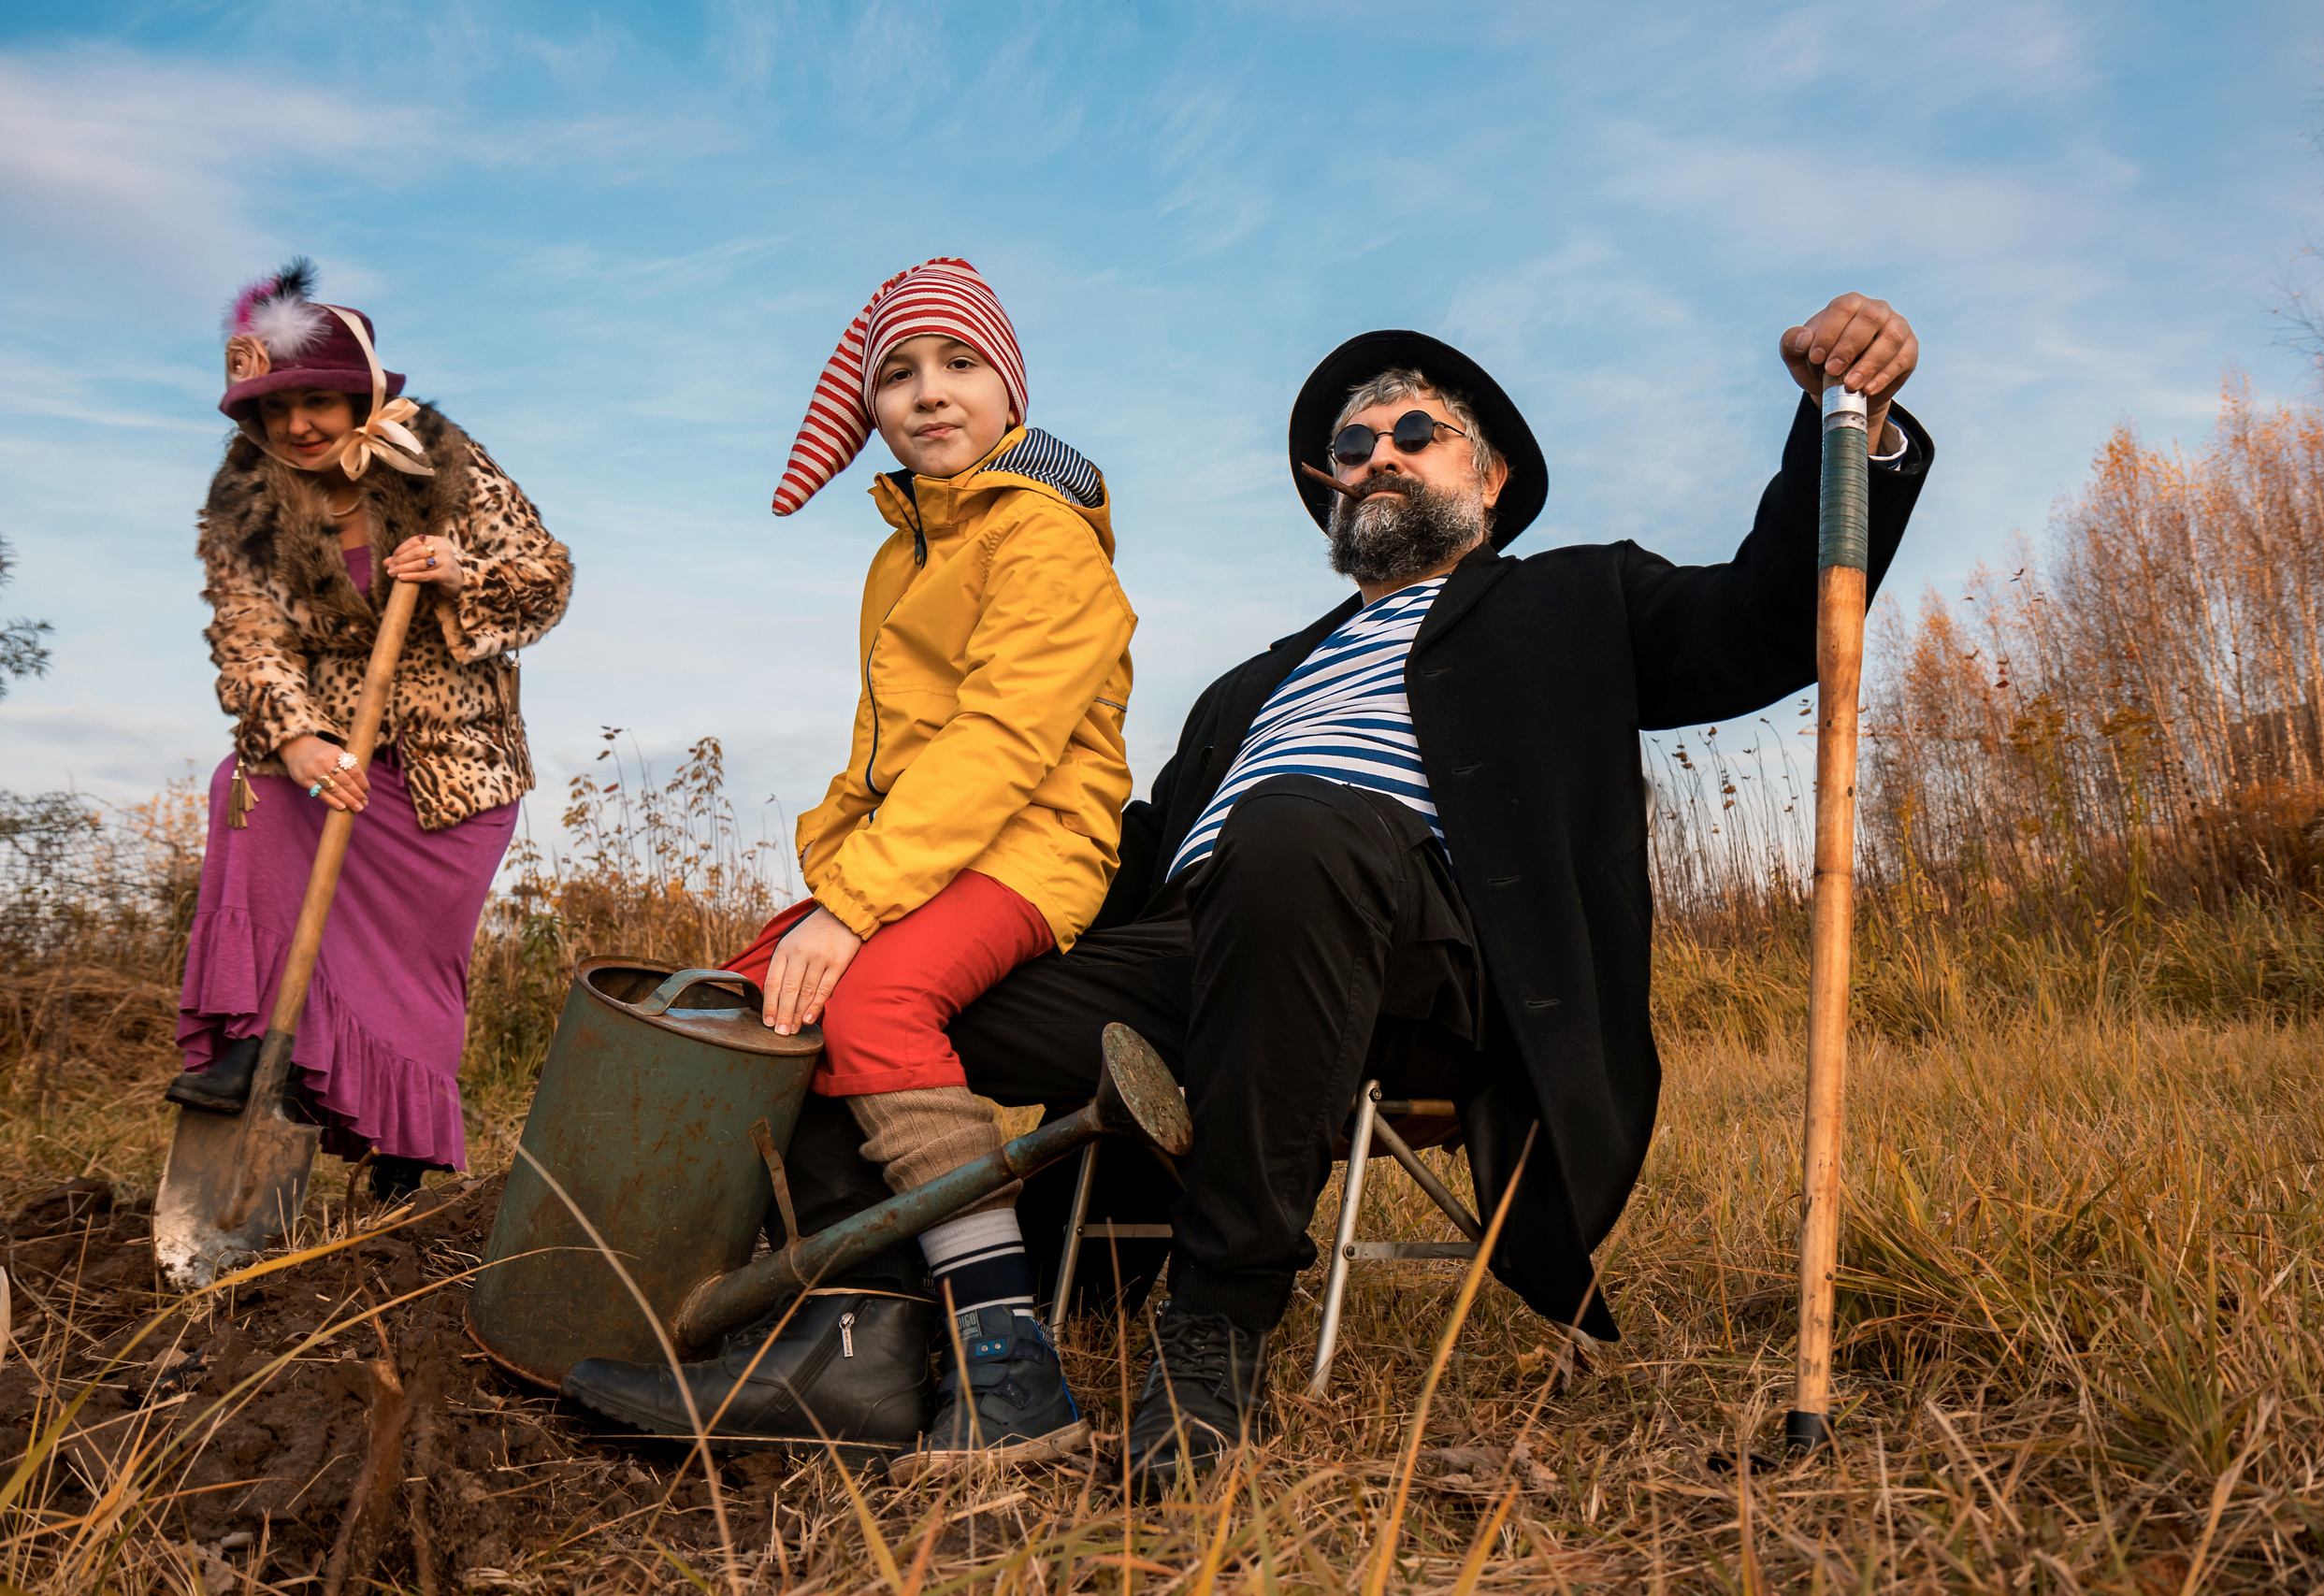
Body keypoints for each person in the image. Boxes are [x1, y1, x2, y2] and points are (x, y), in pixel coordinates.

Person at [938, 295, 1933, 1493]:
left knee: (1291, 835)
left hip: (1425, 949)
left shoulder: (1570, 600)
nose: (1381, 457)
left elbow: (1767, 627)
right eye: (1353, 449)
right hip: (1200, 942)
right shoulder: (1251, 683)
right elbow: (1126, 849)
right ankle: (867, 1311)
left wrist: (1850, 429)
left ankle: (1213, 1328)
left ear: (1491, 475)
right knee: (926, 992)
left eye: (1416, 432)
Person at [561, 259, 1136, 1482]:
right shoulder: (904, 553)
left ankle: (1009, 1366)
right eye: (898, 375)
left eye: (960, 364)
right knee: (739, 994)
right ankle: (822, 1329)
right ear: (866, 408)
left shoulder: (1041, 533)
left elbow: (1002, 743)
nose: (931, 394)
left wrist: (856, 903)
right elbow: (884, 756)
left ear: (1010, 384)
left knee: (873, 998)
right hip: (927, 842)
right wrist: (831, 862)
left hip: (1029, 846)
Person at [173, 259, 572, 1201]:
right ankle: (254, 1047)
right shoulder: (248, 503)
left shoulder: (440, 460)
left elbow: (543, 577)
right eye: (277, 409)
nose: (298, 424)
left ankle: (402, 1149)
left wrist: (460, 569)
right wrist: (301, 742)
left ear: (360, 397)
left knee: (411, 966)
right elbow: (249, 636)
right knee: (246, 786)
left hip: (453, 771)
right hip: (333, 757)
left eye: (318, 400)